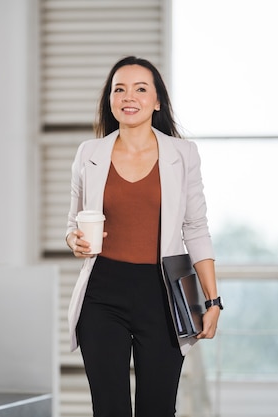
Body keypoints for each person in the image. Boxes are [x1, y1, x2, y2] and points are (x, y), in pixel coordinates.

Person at [65, 56, 221, 417]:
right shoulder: (89, 154)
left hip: (164, 295)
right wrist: (75, 241)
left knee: (158, 408)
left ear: (157, 101)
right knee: (109, 408)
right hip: (102, 294)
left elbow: (196, 228)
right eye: (119, 89)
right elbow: (73, 224)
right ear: (110, 100)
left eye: (140, 88)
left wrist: (212, 300)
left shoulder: (183, 154)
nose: (128, 96)